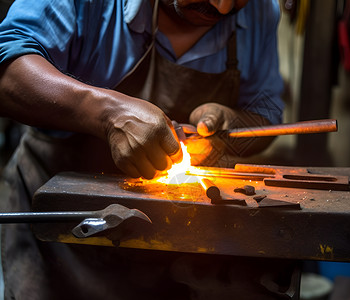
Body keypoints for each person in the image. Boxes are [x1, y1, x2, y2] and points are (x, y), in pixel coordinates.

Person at [0, 0, 298, 299]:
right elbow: (6, 72)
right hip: (60, 234)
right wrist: (106, 113)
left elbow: (267, 114)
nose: (222, 7)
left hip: (175, 252)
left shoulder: (260, 10)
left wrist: (231, 129)